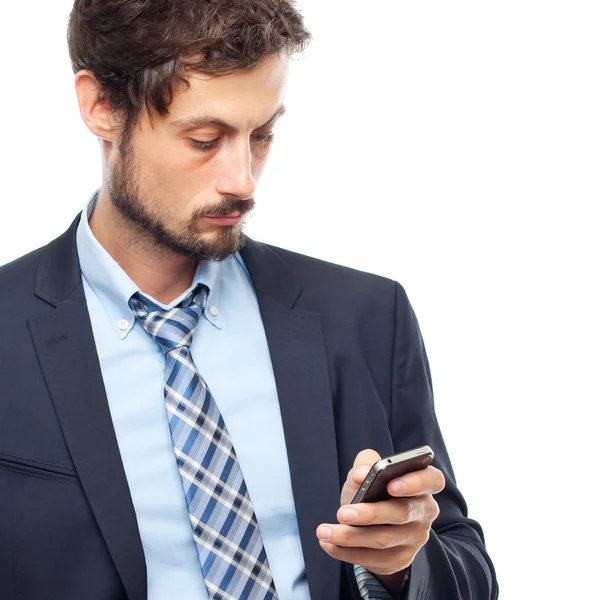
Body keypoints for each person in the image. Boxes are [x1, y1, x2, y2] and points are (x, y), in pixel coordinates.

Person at [0, 1, 498, 599]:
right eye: (205, 139)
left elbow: (467, 571)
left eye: (261, 135)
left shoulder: (365, 317)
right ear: (101, 106)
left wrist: (400, 566)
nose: (243, 180)